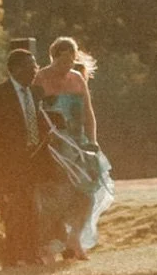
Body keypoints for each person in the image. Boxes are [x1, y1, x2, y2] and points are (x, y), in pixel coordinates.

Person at [34, 39, 113, 258]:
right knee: (57, 194)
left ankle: (75, 237)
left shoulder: (77, 78)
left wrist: (92, 140)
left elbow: (88, 112)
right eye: (62, 60)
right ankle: (50, 243)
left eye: (71, 60)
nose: (67, 65)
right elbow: (34, 113)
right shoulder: (40, 78)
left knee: (88, 189)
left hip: (78, 142)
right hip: (54, 144)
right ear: (53, 57)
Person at [0, 41, 49, 268]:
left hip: (34, 159)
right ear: (16, 69)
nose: (35, 69)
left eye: (36, 64)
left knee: (32, 209)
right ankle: (12, 256)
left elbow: (42, 123)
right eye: (31, 65)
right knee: (14, 210)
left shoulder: (37, 93)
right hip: (8, 162)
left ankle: (31, 254)